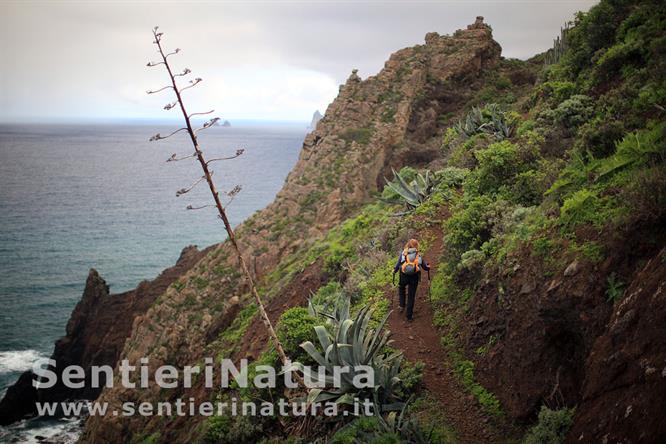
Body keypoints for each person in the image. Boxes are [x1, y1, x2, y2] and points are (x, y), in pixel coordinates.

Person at [393, 238, 430, 322]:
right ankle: (409, 316)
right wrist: (428, 267)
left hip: (403, 275)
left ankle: (402, 305)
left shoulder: (404, 253)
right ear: (416, 245)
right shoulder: (418, 255)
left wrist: (394, 271)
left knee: (401, 288)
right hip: (414, 277)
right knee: (411, 296)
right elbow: (424, 267)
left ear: (408, 244)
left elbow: (398, 263)